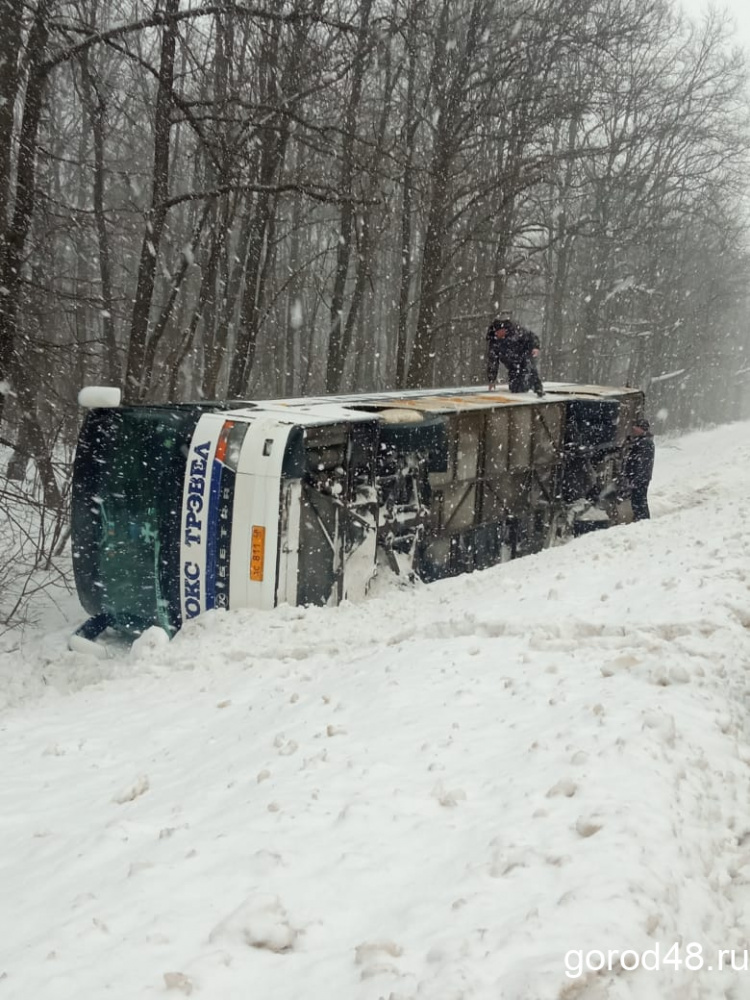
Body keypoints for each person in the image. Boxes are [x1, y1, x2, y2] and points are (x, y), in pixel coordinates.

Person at [486, 315, 544, 396]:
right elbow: (493, 361)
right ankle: (523, 387)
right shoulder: (494, 342)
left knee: (530, 369)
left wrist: (535, 347)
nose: (497, 335)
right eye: (496, 333)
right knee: (515, 388)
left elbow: (532, 337)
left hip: (524, 356)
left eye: (498, 332)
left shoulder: (516, 331)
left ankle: (537, 387)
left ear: (503, 330)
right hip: (512, 365)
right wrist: (492, 379)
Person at [621, 417, 655, 520]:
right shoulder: (641, 441)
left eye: (636, 427)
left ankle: (643, 520)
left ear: (642, 429)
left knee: (639, 501)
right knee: (638, 500)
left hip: (640, 478)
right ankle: (641, 519)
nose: (634, 428)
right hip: (638, 477)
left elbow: (644, 463)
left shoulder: (645, 443)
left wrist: (637, 478)